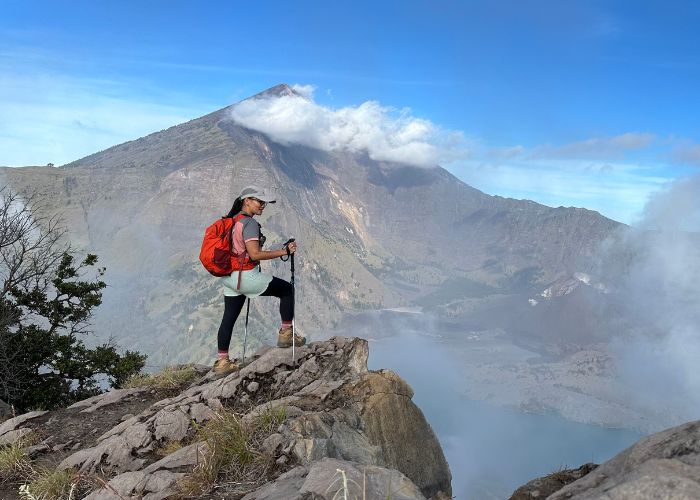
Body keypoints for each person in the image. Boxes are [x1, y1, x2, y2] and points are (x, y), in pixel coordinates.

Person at [213, 185, 306, 374]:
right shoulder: (250, 224)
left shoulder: (231, 221)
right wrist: (285, 251)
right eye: (259, 201)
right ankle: (286, 334)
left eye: (265, 202)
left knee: (228, 318)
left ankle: (222, 362)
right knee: (287, 290)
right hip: (246, 276)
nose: (263, 205)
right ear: (247, 201)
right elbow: (254, 255)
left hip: (230, 278)